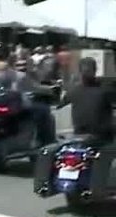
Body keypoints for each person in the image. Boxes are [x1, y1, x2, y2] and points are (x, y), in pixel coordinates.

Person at [35, 57, 115, 197]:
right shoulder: (105, 90)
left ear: (79, 72)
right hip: (100, 136)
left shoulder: (74, 90)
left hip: (78, 135)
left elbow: (60, 104)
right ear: (95, 70)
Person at [0, 43, 55, 146]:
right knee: (43, 109)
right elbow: (25, 89)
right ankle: (45, 143)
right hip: (9, 107)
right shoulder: (12, 73)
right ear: (9, 56)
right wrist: (49, 90)